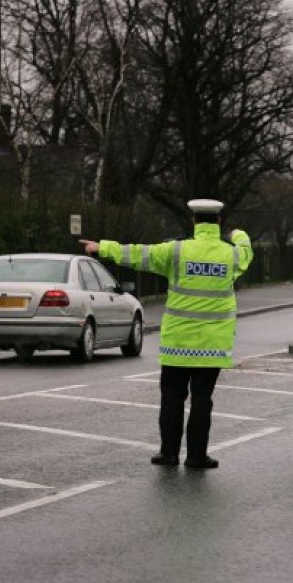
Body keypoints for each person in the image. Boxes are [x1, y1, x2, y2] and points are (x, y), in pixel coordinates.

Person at [79, 199, 253, 469]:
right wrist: (238, 234)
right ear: (217, 222)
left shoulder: (176, 251)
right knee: (202, 400)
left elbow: (137, 254)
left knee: (172, 398)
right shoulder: (231, 255)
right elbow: (246, 250)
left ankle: (169, 454)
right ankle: (196, 457)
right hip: (212, 345)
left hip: (177, 344)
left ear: (194, 221)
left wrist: (102, 248)